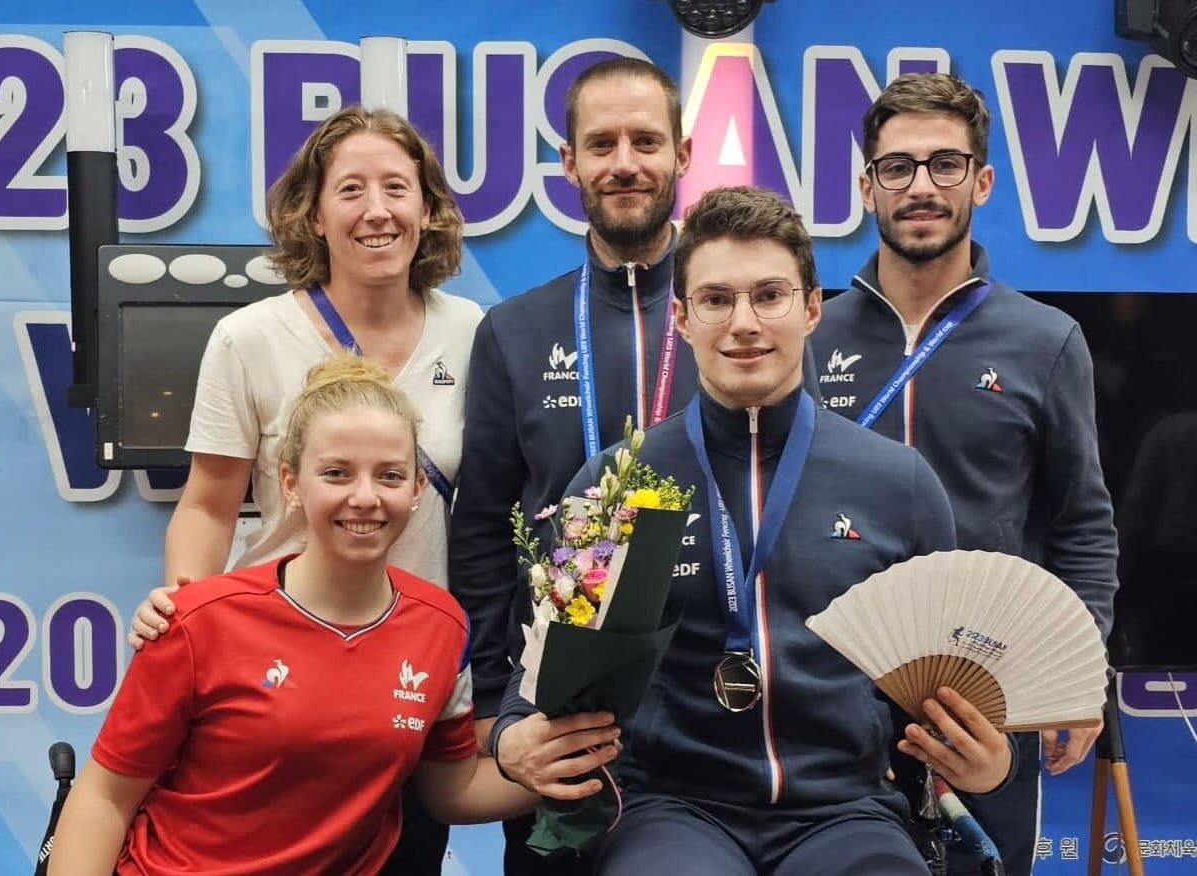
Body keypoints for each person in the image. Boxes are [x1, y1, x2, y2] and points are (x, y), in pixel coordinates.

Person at [492, 186, 1016, 876]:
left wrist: (992, 762)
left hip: (847, 811)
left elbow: (957, 683)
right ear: (682, 317)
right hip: (671, 810)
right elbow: (542, 668)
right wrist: (510, 739)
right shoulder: (618, 481)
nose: (744, 323)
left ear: (812, 307)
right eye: (716, 299)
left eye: (769, 295)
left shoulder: (899, 484)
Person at [49, 354, 581, 876]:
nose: (365, 497)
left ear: (417, 488)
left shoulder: (442, 627)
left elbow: (451, 789)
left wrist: (569, 762)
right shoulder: (197, 622)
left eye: (390, 475)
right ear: (290, 483)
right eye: (336, 473)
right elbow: (105, 797)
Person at [128, 104, 482, 875]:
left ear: (428, 208)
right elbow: (208, 504)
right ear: (315, 216)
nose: (376, 210)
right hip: (277, 679)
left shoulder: (473, 333)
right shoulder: (250, 338)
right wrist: (184, 614)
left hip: (408, 676)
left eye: (397, 187)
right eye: (350, 190)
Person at [809, 72, 1118, 876]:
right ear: (867, 186)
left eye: (945, 164)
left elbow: (1083, 523)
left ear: (980, 181)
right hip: (834, 698)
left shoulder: (1046, 340)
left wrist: (1079, 667)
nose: (921, 186)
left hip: (990, 700)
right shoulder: (810, 336)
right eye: (898, 166)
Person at [447, 56, 699, 876]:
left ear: (683, 154)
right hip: (557, 718)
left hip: (710, 716)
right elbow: (482, 531)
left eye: (645, 141)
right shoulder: (514, 330)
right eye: (601, 144)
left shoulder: (733, 321)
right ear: (569, 162)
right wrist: (496, 710)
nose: (625, 162)